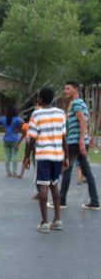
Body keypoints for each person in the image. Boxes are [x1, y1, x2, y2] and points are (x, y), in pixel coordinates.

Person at [50, 80, 100, 210]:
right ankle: (94, 201)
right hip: (78, 141)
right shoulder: (79, 103)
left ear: (75, 90)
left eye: (68, 89)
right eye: (65, 89)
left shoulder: (77, 103)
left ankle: (61, 200)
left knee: (66, 169)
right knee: (87, 172)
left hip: (75, 143)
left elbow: (83, 123)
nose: (65, 91)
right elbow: (84, 123)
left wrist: (82, 141)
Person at [23, 87, 68, 233]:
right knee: (54, 185)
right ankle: (58, 220)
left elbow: (32, 139)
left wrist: (26, 157)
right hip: (57, 155)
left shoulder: (36, 114)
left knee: (43, 187)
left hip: (43, 156)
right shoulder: (61, 113)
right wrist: (66, 156)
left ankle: (44, 222)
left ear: (40, 99)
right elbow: (63, 137)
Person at [0, 106, 23, 178]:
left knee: (7, 156)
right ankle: (14, 172)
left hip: (6, 139)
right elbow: (23, 122)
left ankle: (8, 173)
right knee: (15, 155)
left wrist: (2, 128)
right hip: (14, 139)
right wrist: (18, 128)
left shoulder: (4, 119)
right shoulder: (17, 119)